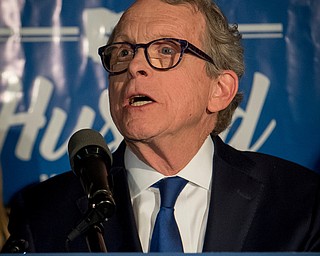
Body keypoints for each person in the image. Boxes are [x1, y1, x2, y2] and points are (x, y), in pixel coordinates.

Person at [2, 0, 320, 252]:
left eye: (166, 50)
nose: (135, 67)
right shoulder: (41, 212)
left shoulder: (301, 202)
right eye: (123, 52)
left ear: (219, 89)